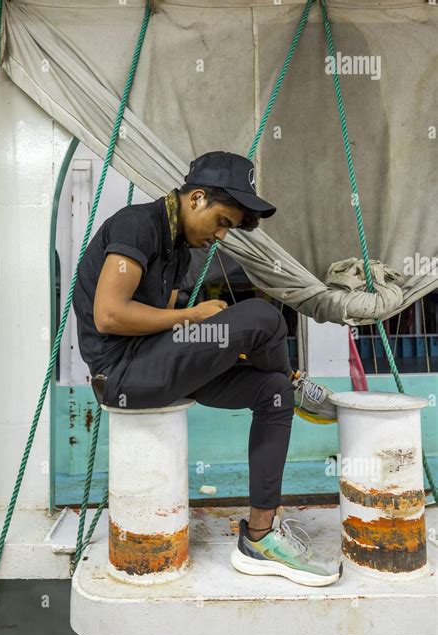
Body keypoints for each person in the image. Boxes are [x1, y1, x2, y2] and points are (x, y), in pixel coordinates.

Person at [72, 150, 341, 586]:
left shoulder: (178, 252)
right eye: (222, 222)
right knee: (264, 316)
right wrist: (192, 318)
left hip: (155, 364)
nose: (221, 235)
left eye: (229, 229)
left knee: (268, 391)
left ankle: (261, 535)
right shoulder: (137, 225)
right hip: (122, 374)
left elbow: (165, 326)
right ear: (196, 198)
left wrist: (211, 340)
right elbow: (109, 315)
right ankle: (296, 385)